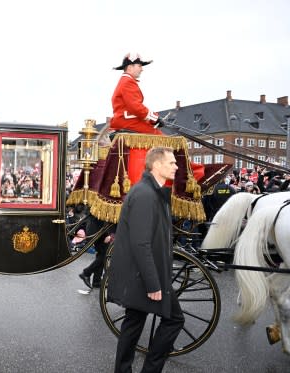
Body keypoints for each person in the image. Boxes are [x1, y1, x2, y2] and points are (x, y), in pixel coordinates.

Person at [107, 147, 184, 373]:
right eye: (171, 162)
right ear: (157, 165)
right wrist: (153, 283)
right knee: (174, 320)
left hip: (143, 273)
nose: (176, 166)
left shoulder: (152, 191)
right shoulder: (145, 194)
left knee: (133, 323)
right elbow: (141, 244)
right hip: (144, 276)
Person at [110, 52, 163, 135]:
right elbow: (135, 107)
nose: (142, 69)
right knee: (160, 137)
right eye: (139, 66)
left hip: (125, 120)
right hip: (128, 121)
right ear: (130, 67)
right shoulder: (128, 82)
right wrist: (155, 118)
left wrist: (151, 120)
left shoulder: (124, 81)